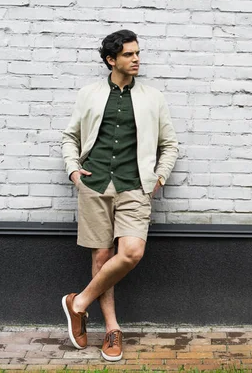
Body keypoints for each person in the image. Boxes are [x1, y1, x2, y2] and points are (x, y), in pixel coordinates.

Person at [61, 29, 178, 361]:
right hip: (95, 183)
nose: (137, 59)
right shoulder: (89, 94)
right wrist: (73, 169)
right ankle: (112, 329)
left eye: (138, 53)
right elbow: (70, 136)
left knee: (130, 253)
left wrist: (160, 176)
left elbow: (170, 145)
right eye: (129, 54)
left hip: (135, 186)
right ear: (111, 60)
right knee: (101, 259)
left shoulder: (152, 97)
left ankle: (77, 303)